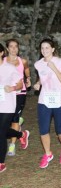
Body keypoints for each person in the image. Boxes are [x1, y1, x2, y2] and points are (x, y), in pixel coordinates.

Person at [33, 38, 61, 169]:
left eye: (47, 48)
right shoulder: (38, 64)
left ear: (53, 49)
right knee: (43, 130)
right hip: (45, 100)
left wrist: (54, 68)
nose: (44, 50)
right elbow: (43, 78)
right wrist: (38, 83)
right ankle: (48, 153)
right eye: (42, 48)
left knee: (60, 129)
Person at [0, 43, 29, 173]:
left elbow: (19, 84)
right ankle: (21, 134)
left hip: (7, 104)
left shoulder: (9, 68)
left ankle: (1, 163)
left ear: (1, 53)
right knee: (4, 130)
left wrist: (11, 88)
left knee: (1, 133)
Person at [4, 39, 31, 156]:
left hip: (20, 93)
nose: (14, 49)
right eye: (11, 46)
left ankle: (12, 145)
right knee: (6, 119)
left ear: (18, 48)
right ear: (7, 48)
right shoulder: (3, 61)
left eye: (16, 46)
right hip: (6, 94)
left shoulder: (22, 61)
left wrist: (28, 78)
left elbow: (26, 69)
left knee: (14, 118)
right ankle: (21, 132)